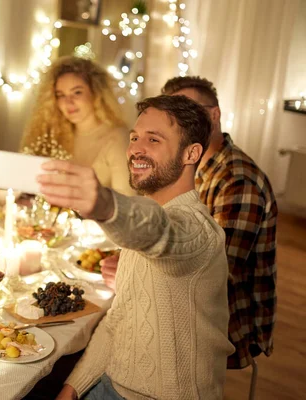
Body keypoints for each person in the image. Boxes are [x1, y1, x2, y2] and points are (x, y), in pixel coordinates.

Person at [38, 95, 234, 399]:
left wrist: (103, 204)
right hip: (110, 385)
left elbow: (160, 232)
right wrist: (72, 388)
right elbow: (119, 318)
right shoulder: (146, 222)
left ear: (191, 153)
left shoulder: (200, 231)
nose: (135, 149)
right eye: (134, 137)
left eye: (153, 139)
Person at [162, 76, 277, 369]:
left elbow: (217, 274)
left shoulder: (238, 180)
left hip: (227, 321)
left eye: (191, 111)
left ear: (214, 114)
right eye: (174, 116)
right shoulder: (191, 164)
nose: (183, 124)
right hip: (191, 299)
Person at [21, 56, 134, 195]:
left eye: (77, 92)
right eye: (61, 95)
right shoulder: (55, 136)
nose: (68, 102)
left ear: (95, 93)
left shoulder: (118, 138)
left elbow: (127, 201)